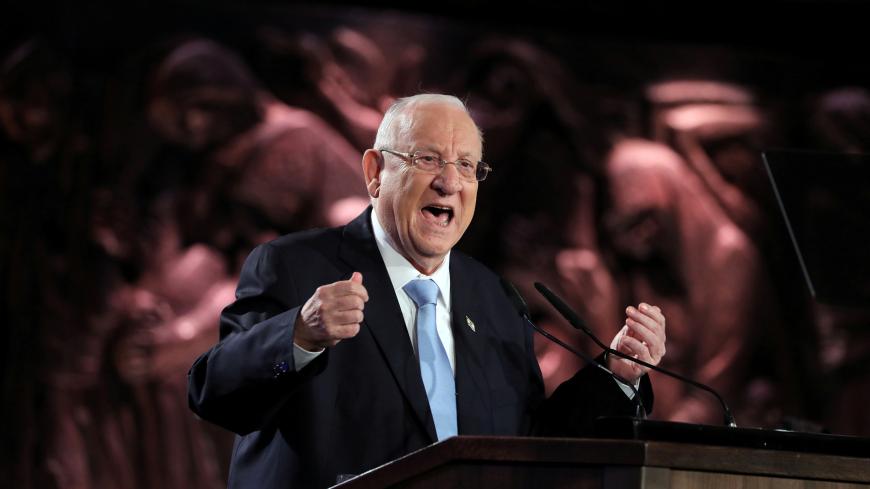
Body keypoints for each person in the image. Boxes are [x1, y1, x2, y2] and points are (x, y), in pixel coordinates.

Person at [188, 94, 667, 489]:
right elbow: (216, 395)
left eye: (466, 165)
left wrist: (615, 376)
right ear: (375, 172)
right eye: (427, 159)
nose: (448, 182)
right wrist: (297, 337)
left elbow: (528, 445)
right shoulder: (294, 267)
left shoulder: (495, 299)